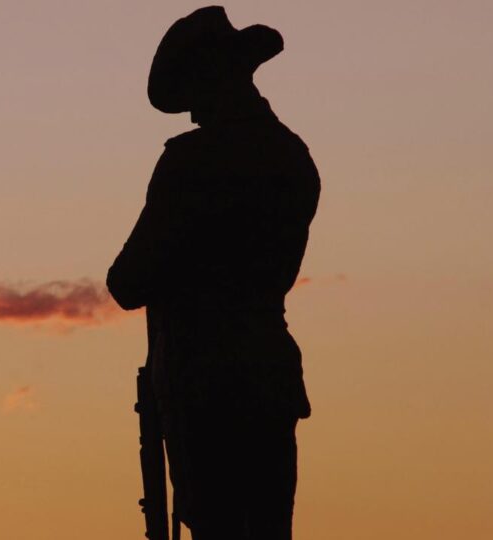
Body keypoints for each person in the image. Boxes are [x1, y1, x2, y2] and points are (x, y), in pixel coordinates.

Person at [106, 6, 321, 540]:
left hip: (205, 388)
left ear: (211, 79)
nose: (193, 110)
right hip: (268, 374)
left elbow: (127, 281)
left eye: (195, 91)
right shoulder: (291, 155)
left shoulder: (190, 163)